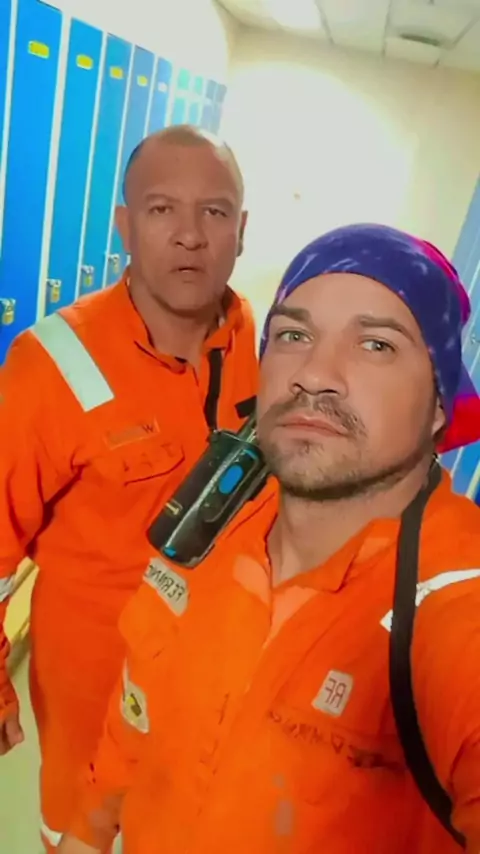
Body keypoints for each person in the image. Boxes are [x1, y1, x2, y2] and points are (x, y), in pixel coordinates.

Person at [58, 223, 480, 854]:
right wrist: (87, 835)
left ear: (440, 402)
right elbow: (135, 719)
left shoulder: (455, 611)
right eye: (293, 335)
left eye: (375, 344)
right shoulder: (213, 525)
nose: (315, 374)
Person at [0, 124, 258, 852]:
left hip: (211, 683)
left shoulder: (256, 339)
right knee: (78, 834)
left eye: (213, 212)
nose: (189, 236)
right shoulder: (49, 365)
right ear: (123, 224)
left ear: (241, 231)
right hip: (91, 688)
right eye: (161, 209)